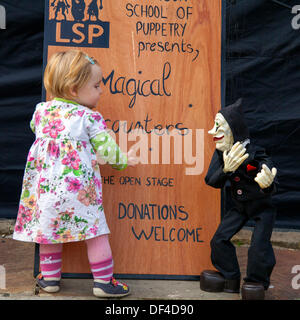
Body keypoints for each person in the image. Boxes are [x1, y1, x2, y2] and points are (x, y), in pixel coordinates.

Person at [13, 50, 138, 298]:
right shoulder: (88, 117)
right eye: (96, 85)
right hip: (80, 192)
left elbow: (32, 127)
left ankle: (49, 279)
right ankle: (103, 282)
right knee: (95, 231)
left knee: (49, 230)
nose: (101, 90)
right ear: (73, 90)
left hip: (46, 191)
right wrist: (125, 161)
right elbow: (108, 150)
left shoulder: (41, 112)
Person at [200, 98, 278, 300]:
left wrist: (267, 182)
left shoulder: (254, 152)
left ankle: (256, 281)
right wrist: (226, 169)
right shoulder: (221, 154)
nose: (212, 131)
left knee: (259, 247)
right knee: (219, 239)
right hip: (239, 205)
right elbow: (211, 180)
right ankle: (229, 277)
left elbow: (267, 168)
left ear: (233, 129)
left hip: (261, 207)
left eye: (219, 126)